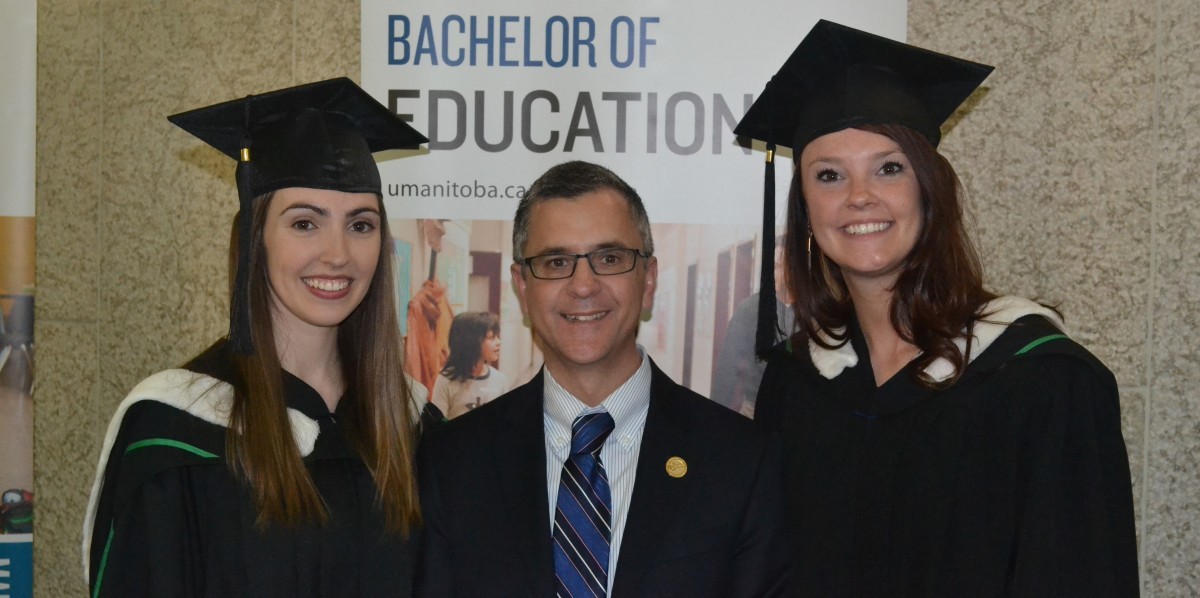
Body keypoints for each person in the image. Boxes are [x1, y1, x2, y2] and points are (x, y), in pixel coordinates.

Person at [735, 20, 1139, 596]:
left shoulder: (1042, 380)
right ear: (805, 208)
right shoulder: (797, 383)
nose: (859, 197)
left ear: (931, 190)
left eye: (889, 168)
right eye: (828, 175)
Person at [82, 78, 428, 597]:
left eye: (361, 225)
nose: (338, 254)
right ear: (253, 240)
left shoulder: (412, 422)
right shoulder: (173, 430)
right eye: (305, 223)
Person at [415, 160, 790, 597]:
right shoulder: (452, 463)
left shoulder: (742, 462)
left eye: (609, 258)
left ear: (648, 279)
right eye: (556, 262)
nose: (583, 286)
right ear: (522, 286)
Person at [428, 311, 510, 420]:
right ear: (472, 342)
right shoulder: (446, 380)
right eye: (492, 338)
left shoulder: (500, 380)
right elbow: (436, 424)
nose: (498, 342)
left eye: (498, 337)